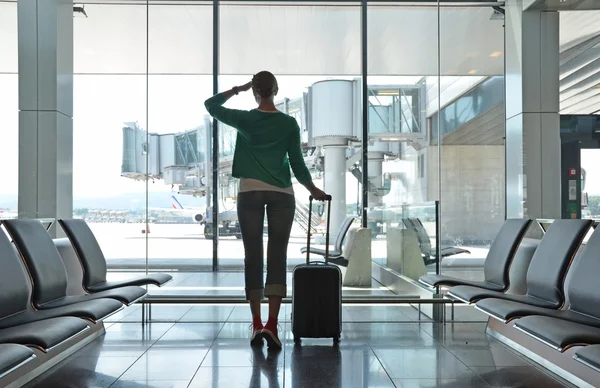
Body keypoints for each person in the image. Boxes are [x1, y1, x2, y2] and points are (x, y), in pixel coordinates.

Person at [204, 71, 328, 350]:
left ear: (255, 92)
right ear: (276, 90)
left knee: (253, 256)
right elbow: (297, 164)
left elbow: (211, 105)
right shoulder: (288, 123)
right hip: (282, 195)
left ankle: (257, 323)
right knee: (277, 256)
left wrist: (238, 89)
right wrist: (314, 191)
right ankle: (273, 324)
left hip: (249, 193)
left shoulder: (245, 119)